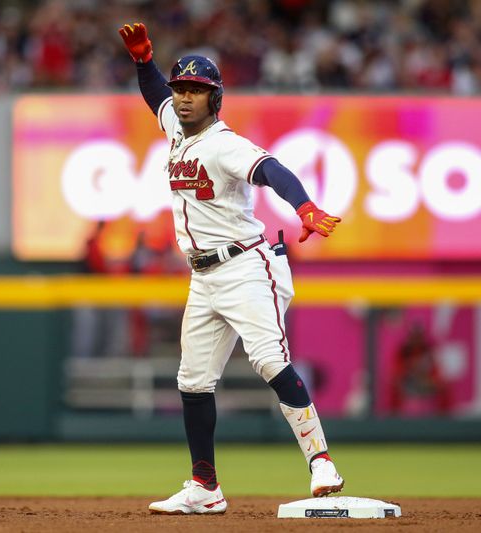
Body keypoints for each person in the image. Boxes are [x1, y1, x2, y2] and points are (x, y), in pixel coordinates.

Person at [118, 22, 344, 515]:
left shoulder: (224, 143)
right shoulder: (176, 128)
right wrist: (144, 63)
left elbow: (271, 170)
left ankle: (321, 461)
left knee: (268, 359)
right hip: (203, 276)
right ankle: (205, 486)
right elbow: (154, 93)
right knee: (193, 380)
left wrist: (304, 207)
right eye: (182, 89)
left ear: (215, 99)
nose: (184, 98)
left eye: (196, 91)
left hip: (245, 264)